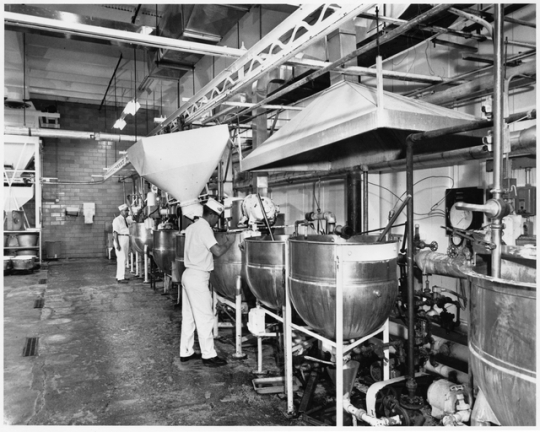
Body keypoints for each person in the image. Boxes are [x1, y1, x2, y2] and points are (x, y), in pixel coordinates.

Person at [180, 198, 235, 367]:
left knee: (189, 317)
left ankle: (186, 351)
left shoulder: (191, 227)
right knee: (205, 317)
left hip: (188, 274)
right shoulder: (204, 228)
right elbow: (217, 251)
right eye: (217, 217)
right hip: (197, 277)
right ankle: (208, 355)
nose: (217, 221)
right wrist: (229, 242)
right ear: (211, 215)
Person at [112, 203, 131, 284]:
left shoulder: (125, 219)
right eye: (126, 211)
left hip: (125, 238)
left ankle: (119, 276)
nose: (128, 212)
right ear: (122, 211)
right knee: (121, 259)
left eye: (128, 210)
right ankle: (120, 278)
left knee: (124, 259)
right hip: (120, 239)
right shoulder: (117, 220)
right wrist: (118, 244)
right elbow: (115, 233)